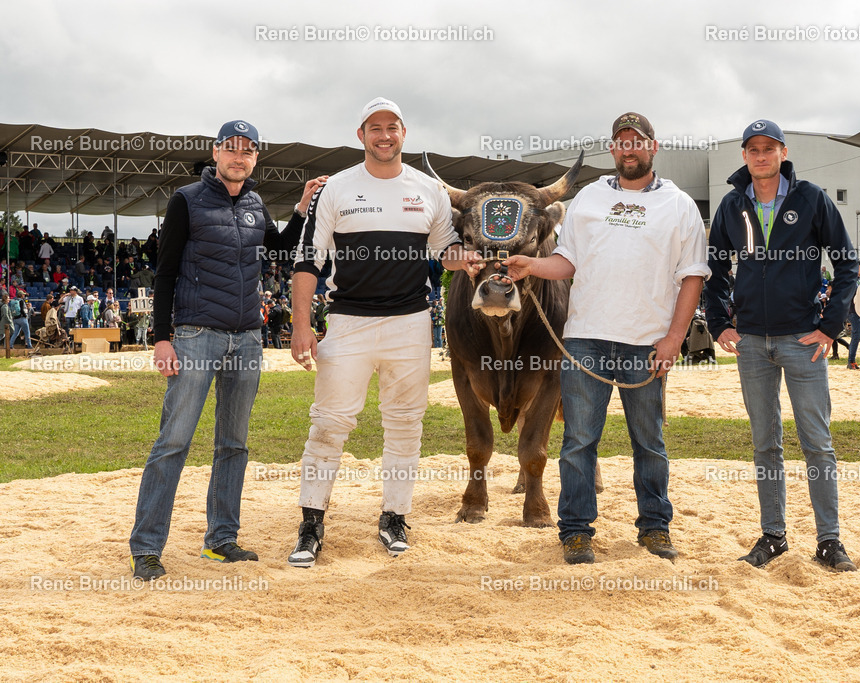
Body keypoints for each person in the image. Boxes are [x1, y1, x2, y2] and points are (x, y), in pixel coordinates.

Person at [505, 111, 709, 565]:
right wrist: (530, 265)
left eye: (638, 141)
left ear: (653, 147)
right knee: (578, 442)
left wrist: (675, 337)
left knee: (650, 443)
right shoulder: (589, 198)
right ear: (612, 149)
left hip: (647, 342)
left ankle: (654, 528)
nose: (629, 149)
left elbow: (692, 275)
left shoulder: (679, 204)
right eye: (621, 142)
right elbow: (566, 262)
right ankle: (576, 532)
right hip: (585, 340)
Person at [286, 98, 481, 567]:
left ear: (403, 134)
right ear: (362, 135)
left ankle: (394, 516)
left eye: (392, 127)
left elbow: (445, 248)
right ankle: (311, 523)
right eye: (376, 128)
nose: (384, 135)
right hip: (348, 322)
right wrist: (300, 325)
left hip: (410, 323)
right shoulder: (334, 188)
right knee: (329, 425)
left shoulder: (428, 190)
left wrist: (474, 264)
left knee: (405, 424)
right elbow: (306, 261)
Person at [128, 119, 326, 580]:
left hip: (247, 339)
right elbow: (165, 273)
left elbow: (277, 251)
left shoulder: (256, 203)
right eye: (231, 149)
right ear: (215, 153)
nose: (240, 157)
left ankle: (220, 540)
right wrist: (162, 337)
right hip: (197, 336)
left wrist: (299, 210)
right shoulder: (186, 200)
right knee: (173, 442)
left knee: (233, 444)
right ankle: (146, 548)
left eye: (249, 151)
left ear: (255, 158)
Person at [706, 119, 859, 572]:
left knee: (817, 442)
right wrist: (719, 325)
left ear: (783, 152)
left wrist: (831, 327)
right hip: (752, 341)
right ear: (744, 156)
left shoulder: (811, 197)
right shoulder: (733, 205)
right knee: (764, 443)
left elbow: (847, 263)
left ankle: (829, 541)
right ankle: (774, 536)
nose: (760, 155)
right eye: (752, 149)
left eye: (768, 148)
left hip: (802, 340)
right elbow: (714, 270)